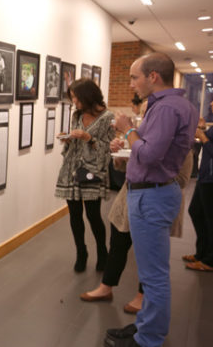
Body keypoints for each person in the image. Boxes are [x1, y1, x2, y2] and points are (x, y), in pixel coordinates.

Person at [106, 53, 198, 347]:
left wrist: (127, 129)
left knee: (153, 276)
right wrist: (128, 139)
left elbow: (147, 154)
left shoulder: (167, 108)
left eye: (135, 77)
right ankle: (145, 326)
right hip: (153, 192)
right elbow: (145, 147)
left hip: (152, 194)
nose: (132, 84)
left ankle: (149, 338)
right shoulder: (174, 105)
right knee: (150, 271)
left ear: (153, 76)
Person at [80, 147, 193, 315]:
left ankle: (143, 295)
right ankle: (106, 286)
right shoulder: (144, 140)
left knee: (150, 252)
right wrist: (121, 159)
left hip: (154, 204)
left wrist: (149, 168)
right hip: (128, 199)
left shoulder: (182, 147)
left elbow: (182, 180)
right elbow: (125, 169)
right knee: (118, 243)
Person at [55, 79, 115, 273]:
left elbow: (108, 148)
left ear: (87, 96)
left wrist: (87, 137)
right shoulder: (77, 115)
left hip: (92, 172)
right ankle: (81, 253)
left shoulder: (107, 117)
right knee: (74, 215)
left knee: (93, 215)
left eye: (76, 97)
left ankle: (102, 252)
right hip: (71, 170)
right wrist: (69, 137)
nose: (74, 102)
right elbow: (74, 142)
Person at [184, 100, 213, 272]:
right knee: (196, 212)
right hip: (205, 176)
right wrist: (202, 131)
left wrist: (203, 138)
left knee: (210, 219)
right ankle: (201, 252)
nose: (210, 103)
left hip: (211, 178)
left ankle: (209, 260)